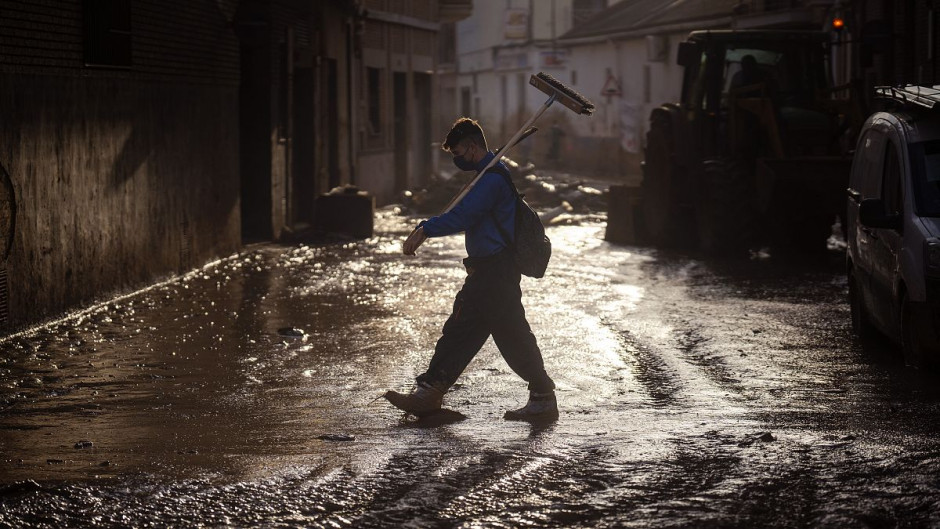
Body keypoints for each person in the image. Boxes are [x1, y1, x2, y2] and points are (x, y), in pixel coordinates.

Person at [385, 117, 557, 421]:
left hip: (494, 272)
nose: (456, 159)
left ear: (473, 147)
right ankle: (540, 397)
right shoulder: (485, 175)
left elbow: (464, 216)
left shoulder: (491, 180)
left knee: (478, 331)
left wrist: (425, 229)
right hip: (490, 271)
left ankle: (431, 392)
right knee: (491, 334)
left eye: (458, 153)